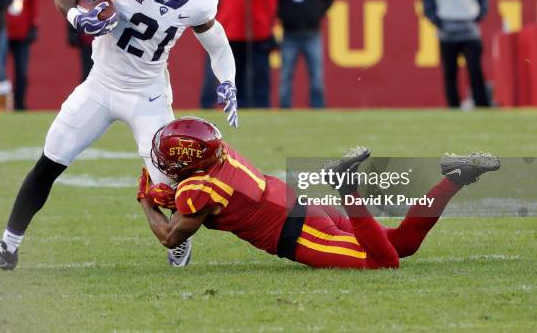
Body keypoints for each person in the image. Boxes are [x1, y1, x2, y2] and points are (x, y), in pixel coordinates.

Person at [0, 0, 238, 272]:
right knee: (49, 161)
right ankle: (7, 248)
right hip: (100, 85)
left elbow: (217, 44)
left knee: (168, 183)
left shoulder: (200, 0)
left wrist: (227, 80)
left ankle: (179, 243)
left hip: (148, 95)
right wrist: (76, 16)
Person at [137, 117, 500, 269]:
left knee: (384, 262)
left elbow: (172, 237)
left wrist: (146, 204)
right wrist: (173, 195)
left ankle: (346, 185)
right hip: (305, 208)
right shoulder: (222, 155)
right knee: (403, 244)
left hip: (300, 232)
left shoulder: (197, 189)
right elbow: (219, 198)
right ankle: (456, 177)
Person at [423, 0, 490, 108]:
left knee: (475, 71)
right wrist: (436, 20)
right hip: (447, 31)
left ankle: (481, 104)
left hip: (469, 29)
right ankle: (453, 105)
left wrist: (478, 15)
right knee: (450, 73)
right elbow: (427, 1)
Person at [278, 0, 333, 108]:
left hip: (312, 33)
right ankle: (284, 109)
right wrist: (283, 15)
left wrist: (317, 14)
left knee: (317, 76)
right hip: (290, 34)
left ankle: (318, 108)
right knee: (286, 76)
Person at [1, 0, 39, 111]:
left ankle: (19, 104)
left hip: (22, 31)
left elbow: (34, 2)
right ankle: (0, 104)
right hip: (2, 30)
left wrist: (34, 25)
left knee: (22, 72)